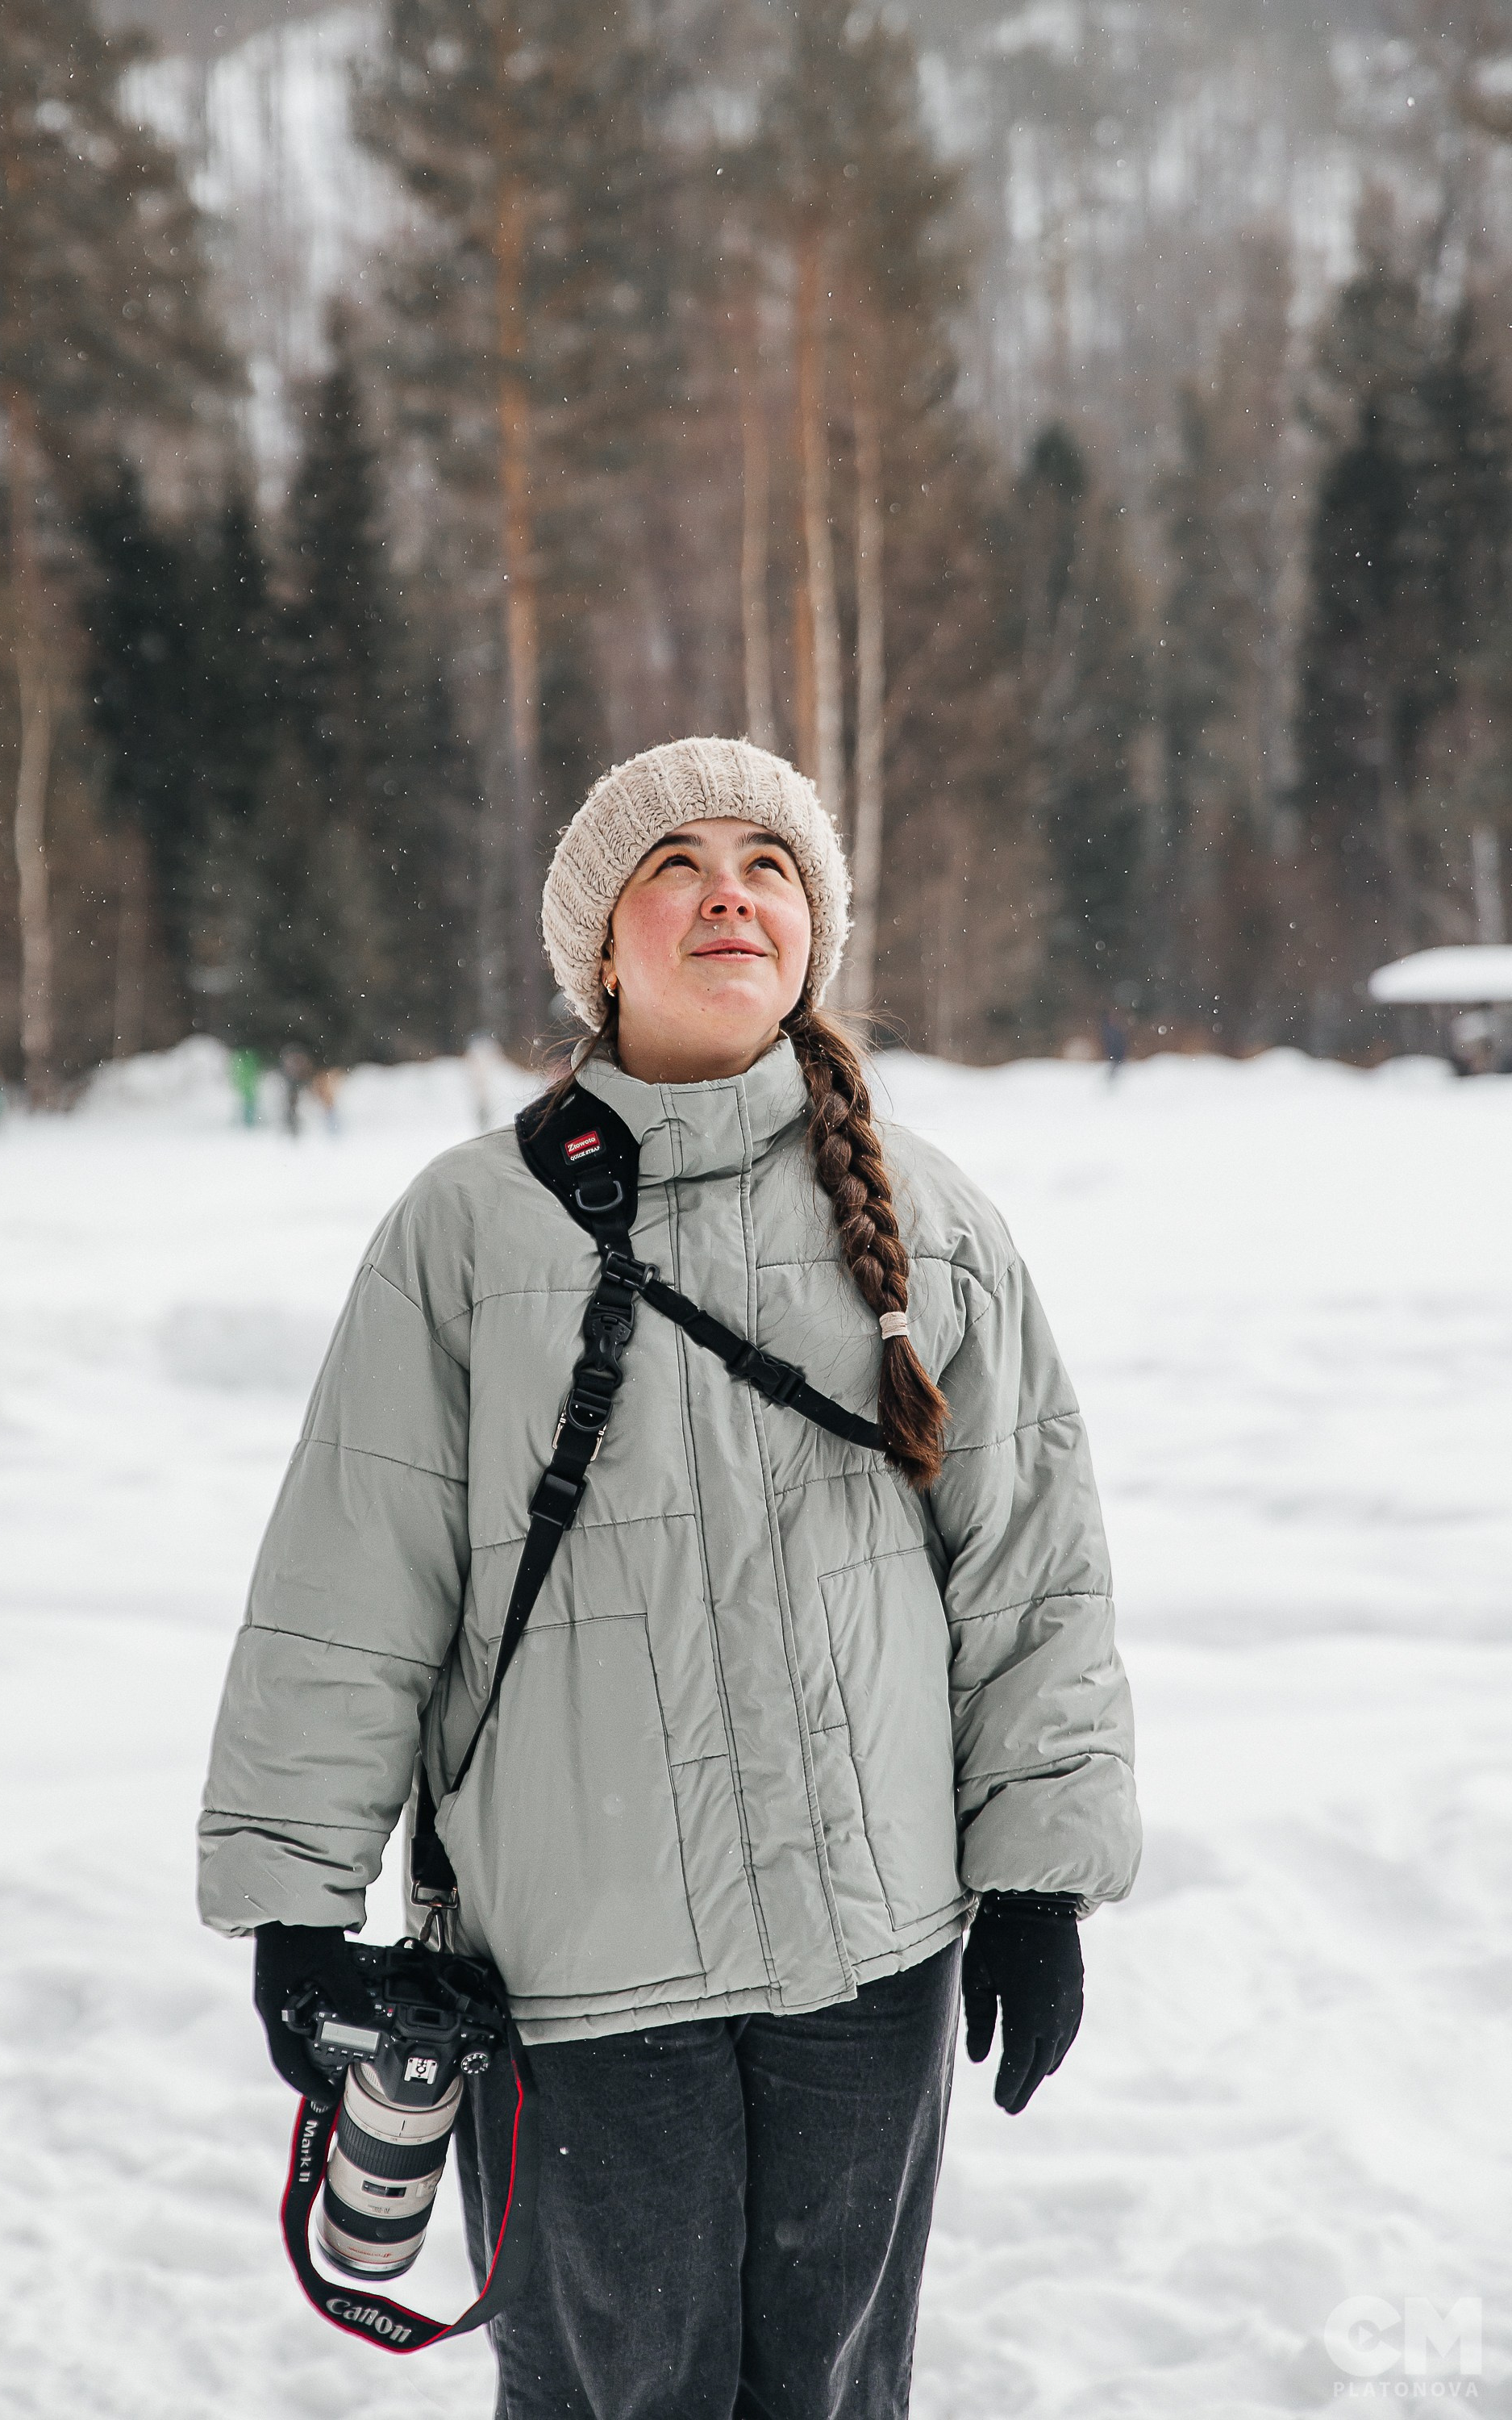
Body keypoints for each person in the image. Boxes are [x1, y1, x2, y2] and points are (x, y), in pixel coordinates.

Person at [198, 739, 1139, 2420]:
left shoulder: (930, 1218)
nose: (729, 890)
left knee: (835, 2393)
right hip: (578, 1963)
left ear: (810, 929)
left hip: (873, 1953)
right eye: (676, 865)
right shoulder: (467, 1231)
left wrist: (1037, 1881)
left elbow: (1030, 1577)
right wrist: (291, 1894)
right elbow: (358, 1569)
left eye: (767, 863)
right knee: (613, 2396)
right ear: (600, 946)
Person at [229, 1047, 264, 1129]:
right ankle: (248, 1122)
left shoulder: (242, 1062)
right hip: (249, 1088)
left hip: (248, 1088)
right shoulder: (250, 1061)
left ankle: (248, 1122)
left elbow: (236, 1074)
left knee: (248, 1105)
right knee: (248, 1105)